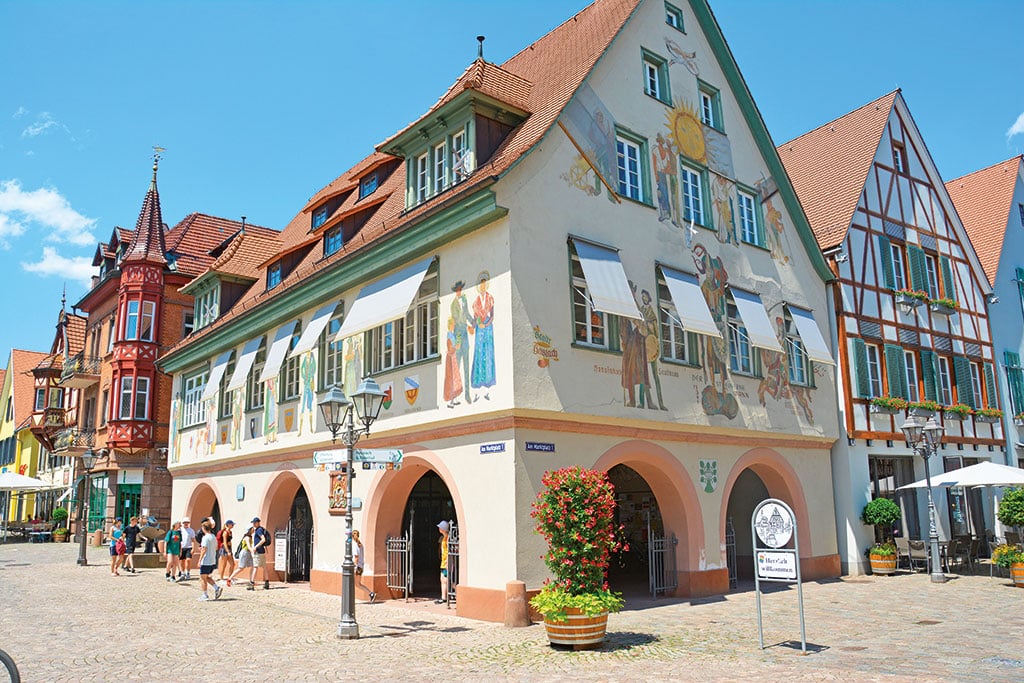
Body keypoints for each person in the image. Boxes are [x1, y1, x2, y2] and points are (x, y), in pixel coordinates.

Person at [195, 520, 222, 602]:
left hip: (206, 560)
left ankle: (205, 595)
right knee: (206, 577)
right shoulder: (213, 536)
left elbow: (204, 549)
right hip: (212, 560)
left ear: (204, 528)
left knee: (203, 578)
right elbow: (216, 548)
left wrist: (199, 560)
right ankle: (216, 588)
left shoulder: (205, 538)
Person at [352, 530, 375, 603]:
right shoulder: (360, 544)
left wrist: (354, 567)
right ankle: (371, 593)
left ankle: (350, 599)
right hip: (361, 566)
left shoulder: (355, 545)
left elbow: (356, 557)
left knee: (352, 583)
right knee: (357, 584)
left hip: (357, 566)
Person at [251, 517, 271, 590]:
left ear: (258, 522)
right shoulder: (261, 529)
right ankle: (267, 582)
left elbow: (263, 539)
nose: (253, 524)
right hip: (261, 551)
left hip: (258, 551)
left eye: (254, 522)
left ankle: (252, 583)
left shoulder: (259, 530)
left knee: (255, 567)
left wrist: (255, 547)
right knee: (264, 567)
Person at [217, 520, 236, 585]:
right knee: (224, 564)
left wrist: (230, 550)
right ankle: (221, 578)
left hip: (229, 548)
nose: (233, 525)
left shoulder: (230, 532)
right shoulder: (225, 532)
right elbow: (224, 542)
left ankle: (230, 578)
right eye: (232, 524)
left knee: (232, 564)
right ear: (228, 524)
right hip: (224, 549)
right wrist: (227, 551)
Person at [436, 520, 450, 604]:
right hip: (443, 562)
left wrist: (448, 562)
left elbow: (448, 551)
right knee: (443, 579)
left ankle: (445, 597)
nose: (439, 528)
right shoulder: (444, 538)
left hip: (446, 562)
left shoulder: (447, 539)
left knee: (446, 580)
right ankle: (443, 597)